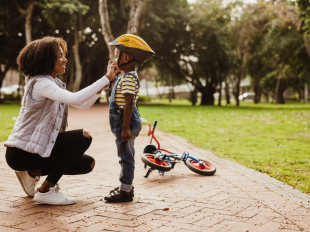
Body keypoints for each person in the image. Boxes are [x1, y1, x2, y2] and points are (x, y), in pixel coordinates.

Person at [4, 36, 120, 205]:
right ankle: (46, 190)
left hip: (36, 150)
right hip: (21, 152)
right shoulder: (41, 83)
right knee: (83, 137)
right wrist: (106, 78)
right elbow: (76, 99)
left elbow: (82, 105)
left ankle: (32, 172)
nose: (65, 59)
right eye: (59, 56)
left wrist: (103, 85)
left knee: (87, 164)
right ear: (46, 59)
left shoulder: (54, 83)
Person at [104, 34, 155, 203]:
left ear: (126, 57)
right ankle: (124, 187)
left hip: (125, 123)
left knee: (126, 158)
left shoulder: (129, 78)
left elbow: (128, 104)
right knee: (125, 156)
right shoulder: (124, 77)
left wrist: (125, 128)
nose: (115, 58)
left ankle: (125, 190)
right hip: (123, 122)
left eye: (117, 54)